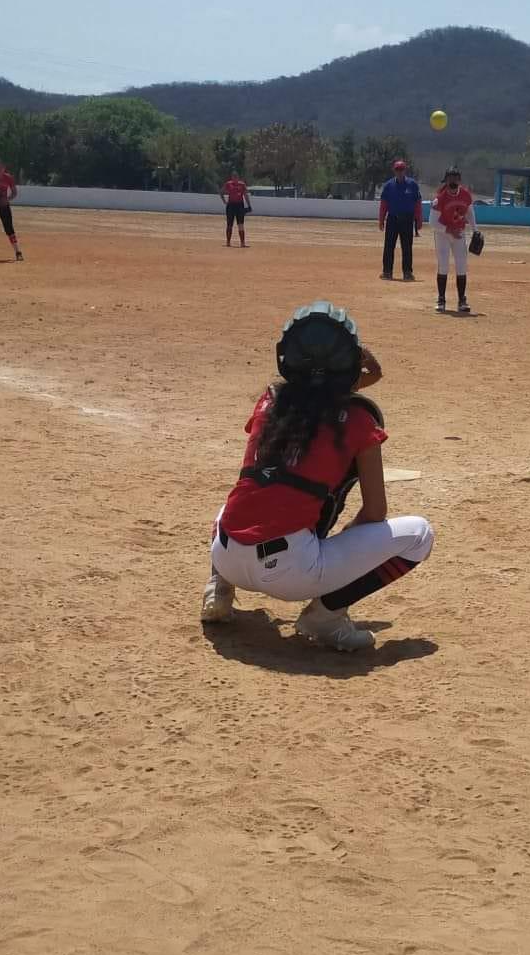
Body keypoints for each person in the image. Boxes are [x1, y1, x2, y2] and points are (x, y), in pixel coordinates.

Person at [200, 301, 434, 653]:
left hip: (227, 556)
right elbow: (374, 513)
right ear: (350, 365)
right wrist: (339, 550)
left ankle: (219, 586)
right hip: (292, 573)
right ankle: (325, 616)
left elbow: (326, 388)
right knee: (420, 535)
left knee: (242, 496)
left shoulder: (269, 403)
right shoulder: (358, 421)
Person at [429, 165, 478, 313]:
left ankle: (462, 300)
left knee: (461, 266)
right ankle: (441, 299)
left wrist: (475, 229)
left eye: (455, 179)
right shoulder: (440, 198)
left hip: (459, 232)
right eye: (450, 180)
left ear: (459, 180)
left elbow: (469, 212)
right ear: (445, 181)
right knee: (443, 265)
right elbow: (432, 223)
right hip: (442, 234)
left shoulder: (465, 195)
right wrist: (449, 230)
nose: (452, 183)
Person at [378, 159, 423, 282]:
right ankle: (387, 272)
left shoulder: (412, 185)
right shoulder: (388, 186)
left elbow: (417, 203)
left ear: (405, 170)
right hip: (392, 219)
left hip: (407, 219)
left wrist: (419, 219)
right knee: (389, 246)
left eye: (401, 169)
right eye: (397, 169)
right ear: (394, 170)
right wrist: (381, 220)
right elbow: (384, 204)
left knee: (407, 247)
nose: (399, 172)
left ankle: (407, 273)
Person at [221, 170, 252, 248]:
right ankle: (228, 242)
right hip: (231, 205)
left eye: (236, 177)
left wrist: (249, 205)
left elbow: (245, 195)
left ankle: (242, 243)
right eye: (233, 177)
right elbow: (221, 192)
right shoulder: (228, 184)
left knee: (241, 225)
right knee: (229, 225)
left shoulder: (242, 184)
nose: (235, 178)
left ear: (238, 177)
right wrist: (225, 201)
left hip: (240, 206)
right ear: (231, 177)